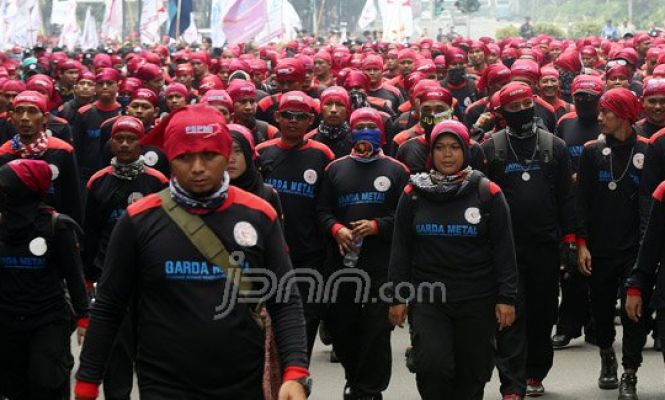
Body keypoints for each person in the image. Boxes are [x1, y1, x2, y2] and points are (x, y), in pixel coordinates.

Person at [75, 104, 311, 399]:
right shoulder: (139, 219)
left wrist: (296, 371)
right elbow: (110, 304)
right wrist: (88, 380)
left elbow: (285, 298)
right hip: (165, 383)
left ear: (226, 155)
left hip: (242, 381)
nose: (198, 167)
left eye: (209, 156)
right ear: (170, 159)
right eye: (185, 157)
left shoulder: (259, 214)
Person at [389, 120, 518, 399]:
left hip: (477, 298)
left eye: (454, 148)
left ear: (466, 152)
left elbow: (505, 250)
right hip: (428, 299)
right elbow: (401, 248)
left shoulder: (487, 192)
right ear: (431, 153)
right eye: (440, 148)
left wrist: (506, 298)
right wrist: (397, 296)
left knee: (472, 373)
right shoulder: (413, 194)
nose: (447, 155)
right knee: (432, 366)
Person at [482, 82, 575, 398]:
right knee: (509, 312)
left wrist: (569, 243)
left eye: (526, 105)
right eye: (514, 107)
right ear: (502, 113)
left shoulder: (555, 147)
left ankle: (536, 371)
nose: (522, 111)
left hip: (546, 248)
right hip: (506, 249)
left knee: (543, 312)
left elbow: (566, 199)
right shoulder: (490, 149)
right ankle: (512, 381)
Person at [317, 109, 410, 399]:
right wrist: (336, 230)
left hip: (380, 266)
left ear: (381, 132)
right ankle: (353, 378)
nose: (365, 132)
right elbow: (321, 211)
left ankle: (369, 390)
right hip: (342, 265)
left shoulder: (396, 169)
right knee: (342, 328)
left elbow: (405, 218)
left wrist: (375, 226)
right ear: (351, 132)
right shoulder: (335, 169)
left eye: (372, 126)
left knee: (375, 333)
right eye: (360, 127)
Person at [82, 116, 168, 400]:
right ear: (111, 142)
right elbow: (90, 234)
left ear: (141, 143)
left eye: (131, 139)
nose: (125, 144)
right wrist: (88, 279)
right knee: (115, 352)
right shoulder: (98, 182)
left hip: (147, 280)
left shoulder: (157, 182)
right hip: (110, 278)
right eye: (119, 138)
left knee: (150, 350)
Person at [576, 88, 651, 399]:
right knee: (603, 312)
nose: (600, 117)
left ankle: (630, 372)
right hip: (600, 248)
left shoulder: (649, 150)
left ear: (624, 116)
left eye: (607, 112)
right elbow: (581, 203)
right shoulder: (592, 151)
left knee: (636, 313)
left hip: (635, 249)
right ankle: (607, 353)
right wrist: (581, 244)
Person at [0, 159, 88, 399]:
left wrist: (83, 318)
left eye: (5, 184)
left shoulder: (56, 226)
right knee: (12, 386)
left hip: (47, 319)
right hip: (7, 321)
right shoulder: (2, 224)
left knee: (47, 381)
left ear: (24, 189)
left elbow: (74, 274)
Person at [256, 91, 335, 357]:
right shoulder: (261, 153)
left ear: (310, 120)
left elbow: (327, 206)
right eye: (287, 115)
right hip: (268, 254)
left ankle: (299, 377)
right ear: (277, 117)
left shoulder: (322, 155)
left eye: (300, 117)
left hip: (308, 255)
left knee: (305, 321)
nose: (293, 121)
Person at [552, 75, 605, 349]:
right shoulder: (564, 123)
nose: (584, 102)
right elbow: (557, 156)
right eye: (579, 97)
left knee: (597, 269)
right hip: (570, 205)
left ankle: (595, 325)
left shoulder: (607, 122)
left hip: (600, 206)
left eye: (590, 98)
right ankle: (567, 326)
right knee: (570, 268)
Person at [0, 90, 82, 223]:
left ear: (45, 117)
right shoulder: (4, 153)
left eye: (32, 111)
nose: (25, 117)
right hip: (14, 230)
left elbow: (72, 199)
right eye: (19, 111)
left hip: (55, 228)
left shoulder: (62, 150)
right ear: (12, 117)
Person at [227, 123, 283, 217]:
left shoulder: (267, 194)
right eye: (226, 151)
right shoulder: (210, 194)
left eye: (238, 151)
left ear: (248, 154)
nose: (231, 159)